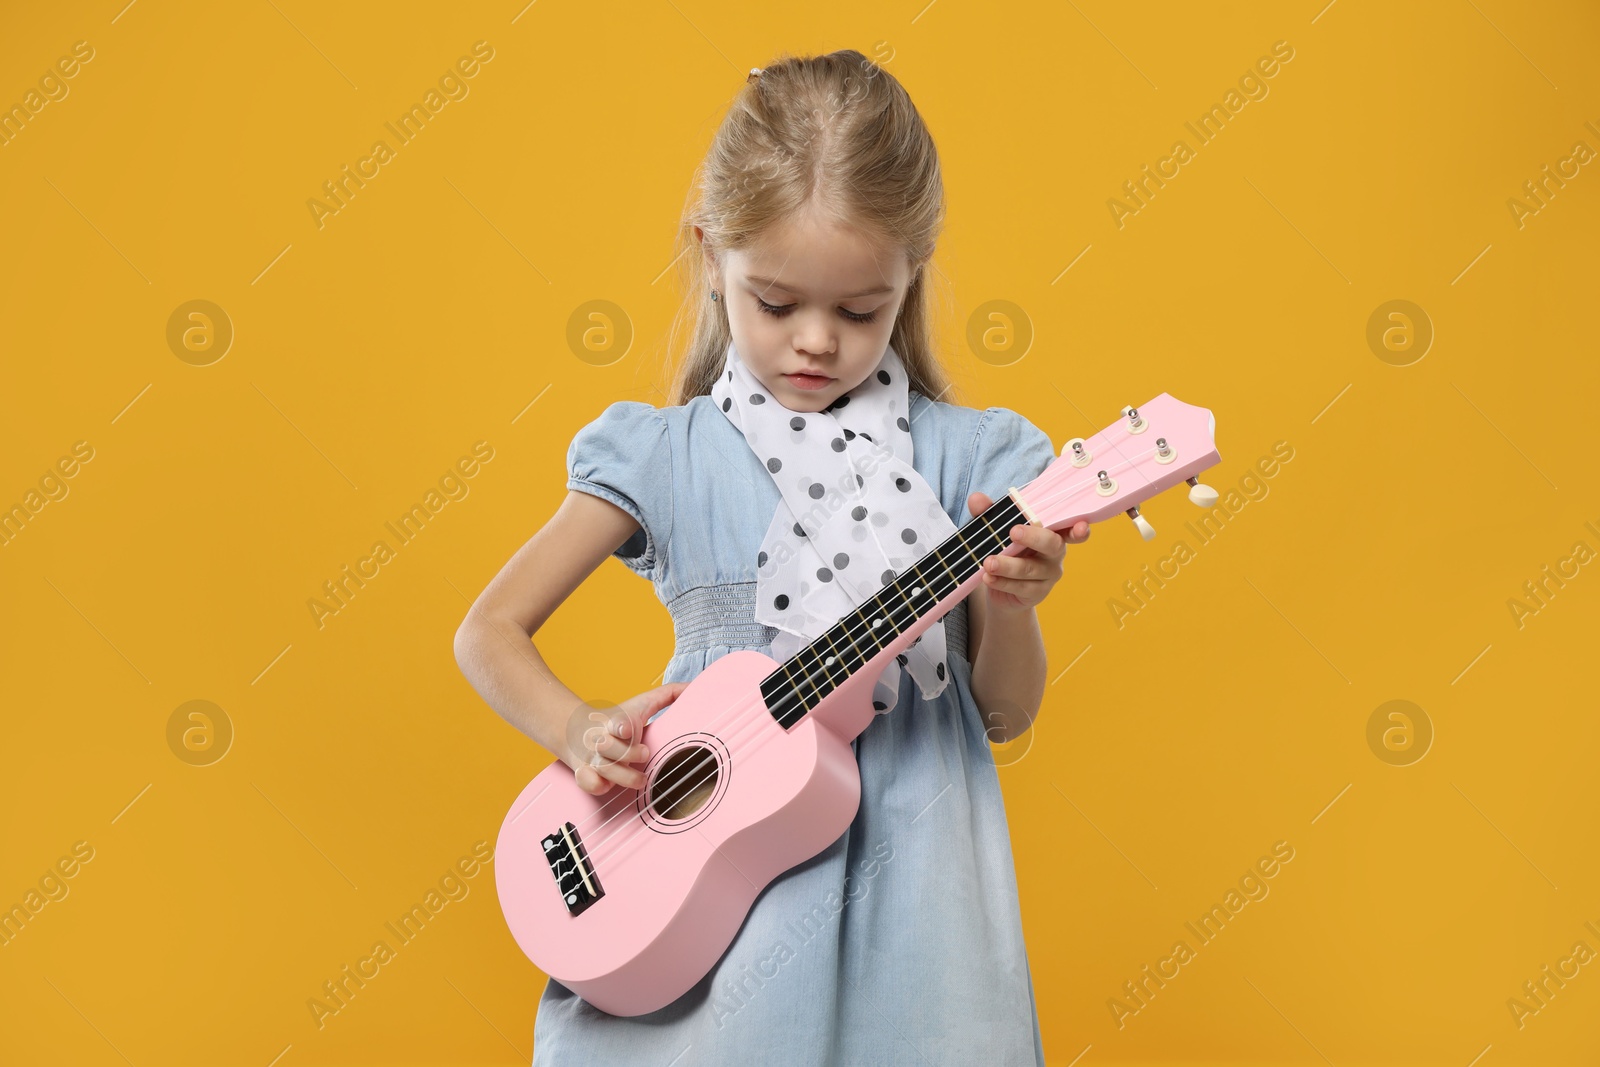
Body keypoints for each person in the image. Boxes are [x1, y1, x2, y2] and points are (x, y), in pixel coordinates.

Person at [453, 48, 1090, 1066]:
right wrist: (575, 729)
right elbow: (486, 631)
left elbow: (1004, 714)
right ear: (711, 255)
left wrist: (1011, 601)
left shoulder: (973, 462)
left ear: (909, 276)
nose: (816, 344)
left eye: (858, 310)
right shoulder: (663, 455)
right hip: (705, 900)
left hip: (924, 907)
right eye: (776, 301)